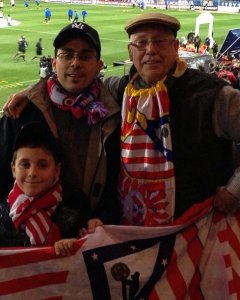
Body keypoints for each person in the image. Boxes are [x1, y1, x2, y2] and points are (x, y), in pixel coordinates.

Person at [5, 12, 240, 248]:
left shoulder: (212, 95)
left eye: (160, 41)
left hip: (195, 235)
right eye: (141, 43)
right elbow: (72, 84)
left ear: (176, 47)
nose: (150, 50)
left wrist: (234, 191)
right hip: (133, 234)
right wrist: (28, 94)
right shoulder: (122, 89)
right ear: (130, 52)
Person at [0, 22, 121, 246]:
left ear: (99, 65)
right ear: (55, 62)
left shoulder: (112, 114)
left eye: (85, 56)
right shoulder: (21, 111)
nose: (75, 63)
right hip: (23, 235)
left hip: (86, 237)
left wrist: (103, 217)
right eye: (67, 55)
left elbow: (115, 180)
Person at [0, 122, 62, 247]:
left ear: (57, 171)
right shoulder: (2, 214)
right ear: (13, 170)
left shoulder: (75, 206)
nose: (32, 173)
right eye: (25, 165)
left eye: (42, 165)